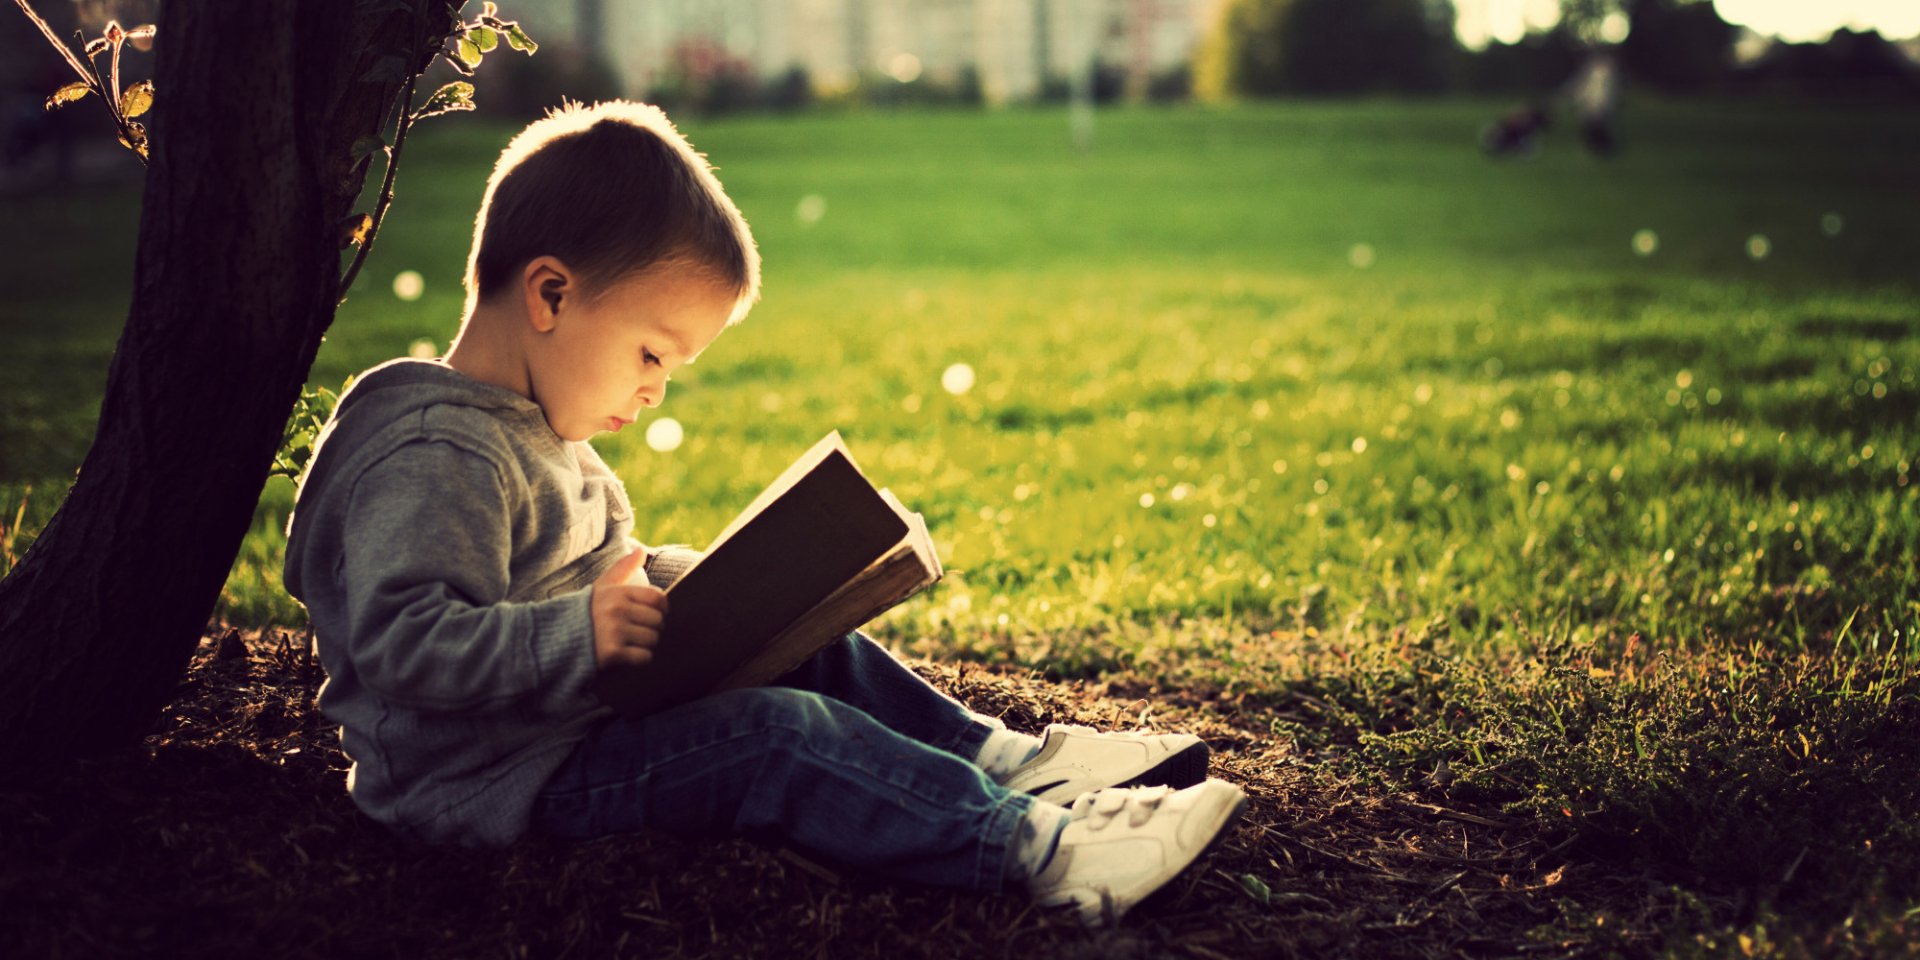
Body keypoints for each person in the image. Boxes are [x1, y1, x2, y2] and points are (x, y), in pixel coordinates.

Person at [282, 100, 1245, 927]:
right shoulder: (438, 453)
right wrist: (576, 634)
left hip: (573, 723)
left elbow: (581, 575)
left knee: (803, 640)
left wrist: (684, 587)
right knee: (776, 739)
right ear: (550, 294)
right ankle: (1046, 853)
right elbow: (398, 642)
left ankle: (1008, 763)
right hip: (501, 782)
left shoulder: (538, 428)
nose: (656, 391)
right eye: (653, 354)